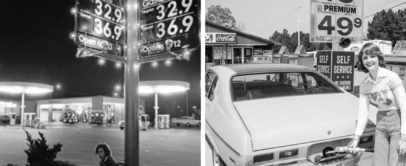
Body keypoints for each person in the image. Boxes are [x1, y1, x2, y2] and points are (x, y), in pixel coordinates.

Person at [351, 43, 406, 165]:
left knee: (395, 162)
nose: (369, 60)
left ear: (379, 58)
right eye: (365, 58)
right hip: (380, 124)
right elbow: (363, 112)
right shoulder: (365, 84)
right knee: (379, 162)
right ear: (361, 61)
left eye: (372, 56)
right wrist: (356, 137)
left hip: (397, 122)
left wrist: (404, 138)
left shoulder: (391, 77)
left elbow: (404, 108)